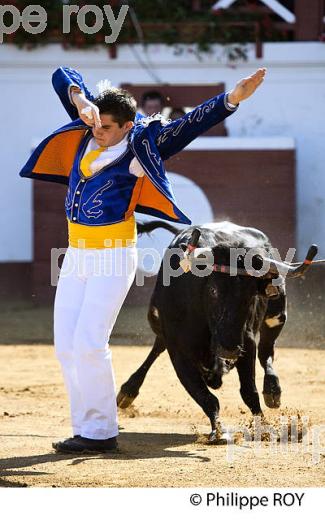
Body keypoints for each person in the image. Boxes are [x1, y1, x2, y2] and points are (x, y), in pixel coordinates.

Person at [19, 66, 266, 454]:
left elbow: (187, 126)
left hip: (114, 257)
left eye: (106, 127)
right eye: (95, 125)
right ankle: (85, 427)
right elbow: (61, 73)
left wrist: (231, 99)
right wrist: (81, 101)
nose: (97, 132)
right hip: (77, 255)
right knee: (66, 346)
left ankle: (101, 433)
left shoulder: (141, 145)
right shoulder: (89, 125)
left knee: (88, 342)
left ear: (127, 126)